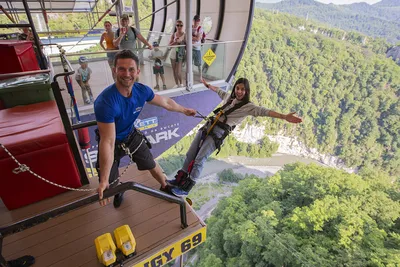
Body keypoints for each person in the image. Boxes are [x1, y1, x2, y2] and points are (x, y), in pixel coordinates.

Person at [94, 49, 196, 207]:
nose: (126, 74)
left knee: (150, 163)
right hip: (112, 142)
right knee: (109, 185)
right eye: (121, 69)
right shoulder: (105, 102)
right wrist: (104, 180)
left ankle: (165, 185)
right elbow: (107, 140)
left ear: (137, 71)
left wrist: (184, 110)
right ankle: (117, 189)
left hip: (130, 135)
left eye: (131, 69)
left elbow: (166, 102)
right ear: (114, 70)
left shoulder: (141, 91)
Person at [169, 78, 303, 197]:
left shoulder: (248, 107)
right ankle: (179, 179)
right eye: (238, 88)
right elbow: (219, 91)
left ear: (247, 91)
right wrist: (208, 85)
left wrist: (284, 116)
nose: (239, 91)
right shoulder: (229, 98)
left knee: (199, 160)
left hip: (217, 133)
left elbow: (265, 111)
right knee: (190, 154)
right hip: (208, 126)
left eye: (243, 89)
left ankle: (186, 188)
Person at [169, 20, 186, 88]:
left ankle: (181, 83)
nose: (179, 27)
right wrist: (175, 42)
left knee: (178, 71)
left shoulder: (184, 35)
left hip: (180, 54)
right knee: (174, 70)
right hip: (173, 53)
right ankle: (176, 83)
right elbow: (169, 45)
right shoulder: (173, 34)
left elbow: (186, 44)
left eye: (181, 25)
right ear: (176, 26)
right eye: (178, 25)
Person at [192, 15, 203, 79]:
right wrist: (195, 37)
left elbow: (198, 39)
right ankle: (191, 75)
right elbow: (187, 37)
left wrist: (192, 38)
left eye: (198, 21)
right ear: (194, 21)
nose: (197, 23)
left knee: (199, 64)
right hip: (191, 48)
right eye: (196, 21)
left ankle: (200, 77)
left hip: (197, 48)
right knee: (190, 63)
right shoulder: (191, 27)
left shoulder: (200, 28)